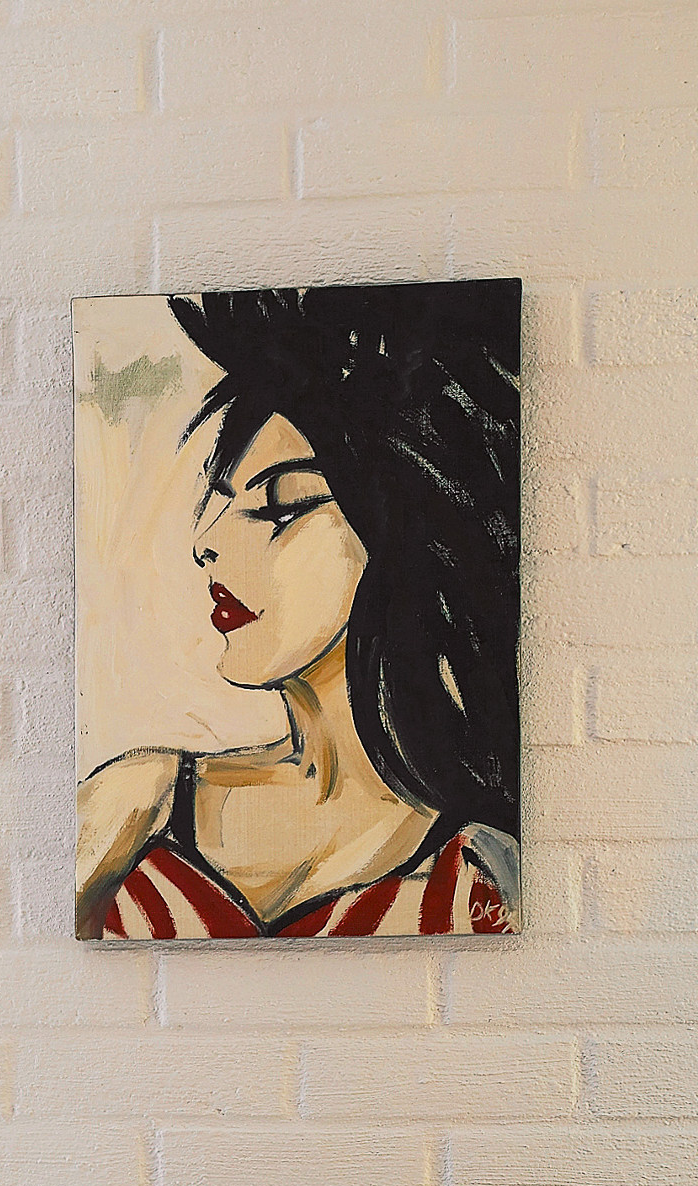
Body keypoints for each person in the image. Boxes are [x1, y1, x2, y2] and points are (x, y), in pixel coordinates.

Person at [78, 282, 521, 940]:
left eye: (280, 504)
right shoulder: (139, 804)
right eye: (221, 499)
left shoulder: (483, 876)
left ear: (397, 535)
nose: (207, 540)